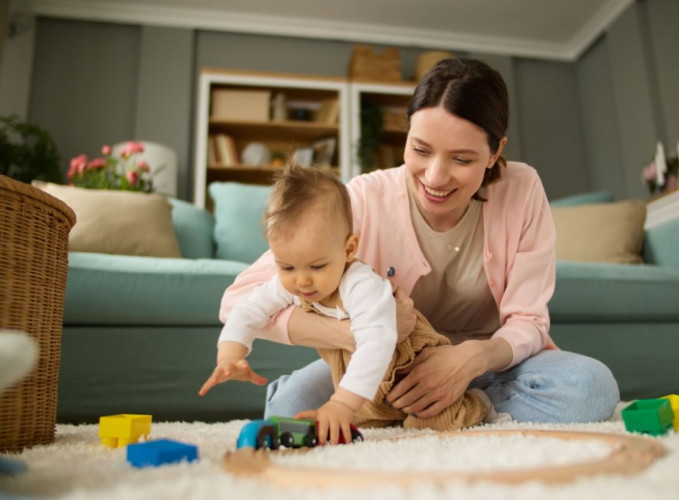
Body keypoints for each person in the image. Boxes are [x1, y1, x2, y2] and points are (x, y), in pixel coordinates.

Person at [220, 58, 620, 425]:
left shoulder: (522, 189)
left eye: (461, 159)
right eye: (420, 149)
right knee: (288, 408)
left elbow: (529, 321)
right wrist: (360, 334)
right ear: (407, 134)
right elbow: (237, 301)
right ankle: (429, 407)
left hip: (487, 361)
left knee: (591, 389)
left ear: (496, 151)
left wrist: (470, 358)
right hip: (382, 358)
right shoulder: (361, 198)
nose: (434, 176)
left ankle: (454, 403)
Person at [201, 163, 495, 445]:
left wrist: (340, 403)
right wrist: (231, 354)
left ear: (349, 249)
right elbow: (247, 310)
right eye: (287, 267)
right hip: (365, 379)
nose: (301, 282)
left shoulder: (361, 284)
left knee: (433, 421)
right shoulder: (293, 282)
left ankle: (478, 402)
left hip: (407, 368)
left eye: (317, 266)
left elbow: (375, 344)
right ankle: (375, 412)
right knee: (338, 423)